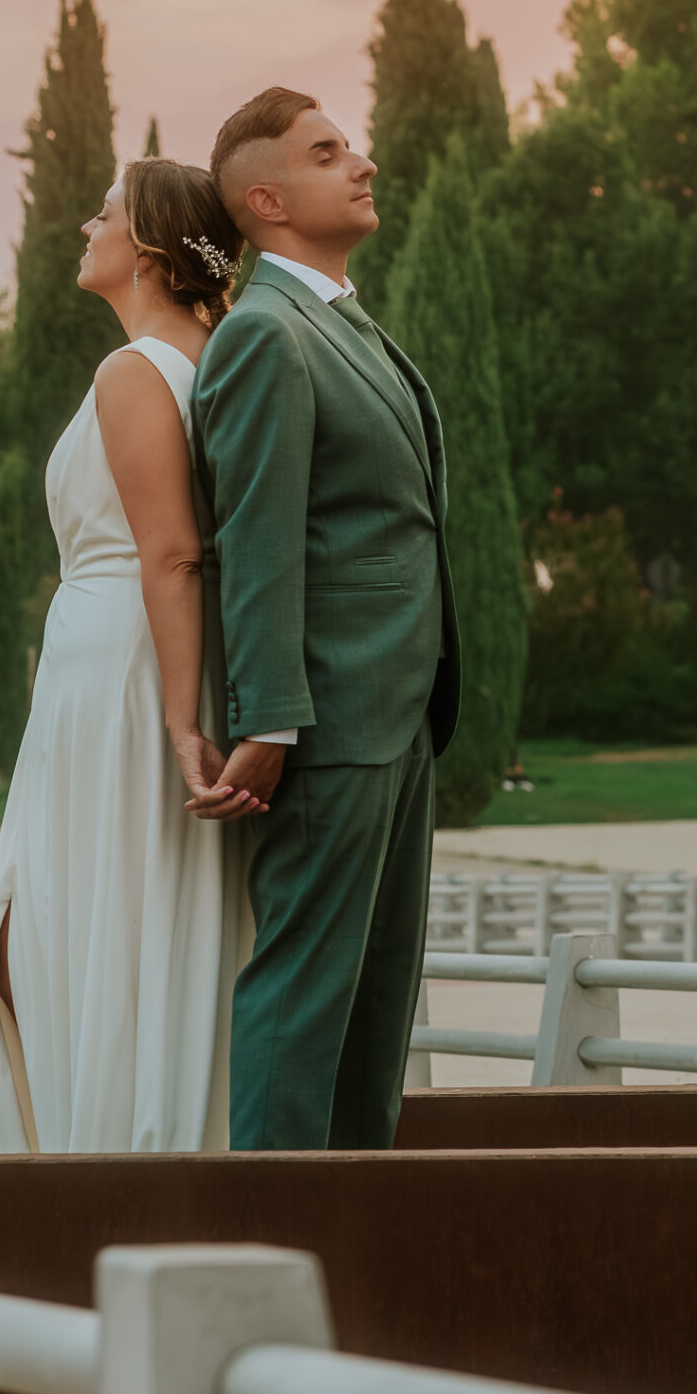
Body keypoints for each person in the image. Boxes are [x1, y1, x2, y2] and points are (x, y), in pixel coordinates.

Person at [192, 88, 460, 1151]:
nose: (363, 163)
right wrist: (271, 722)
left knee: (374, 1013)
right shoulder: (265, 334)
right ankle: (271, 1245)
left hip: (399, 714)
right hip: (330, 724)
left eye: (349, 145)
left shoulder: (342, 324)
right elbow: (258, 543)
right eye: (327, 151)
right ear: (267, 198)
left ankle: (351, 1252)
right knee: (305, 1001)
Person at [0, 157, 251, 1153]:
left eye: (102, 212)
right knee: (116, 918)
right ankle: (125, 1119)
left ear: (147, 246)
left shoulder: (134, 371)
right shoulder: (213, 358)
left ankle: (102, 1144)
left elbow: (171, 551)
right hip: (130, 662)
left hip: (125, 675)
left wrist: (178, 724)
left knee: (60, 927)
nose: (82, 226)